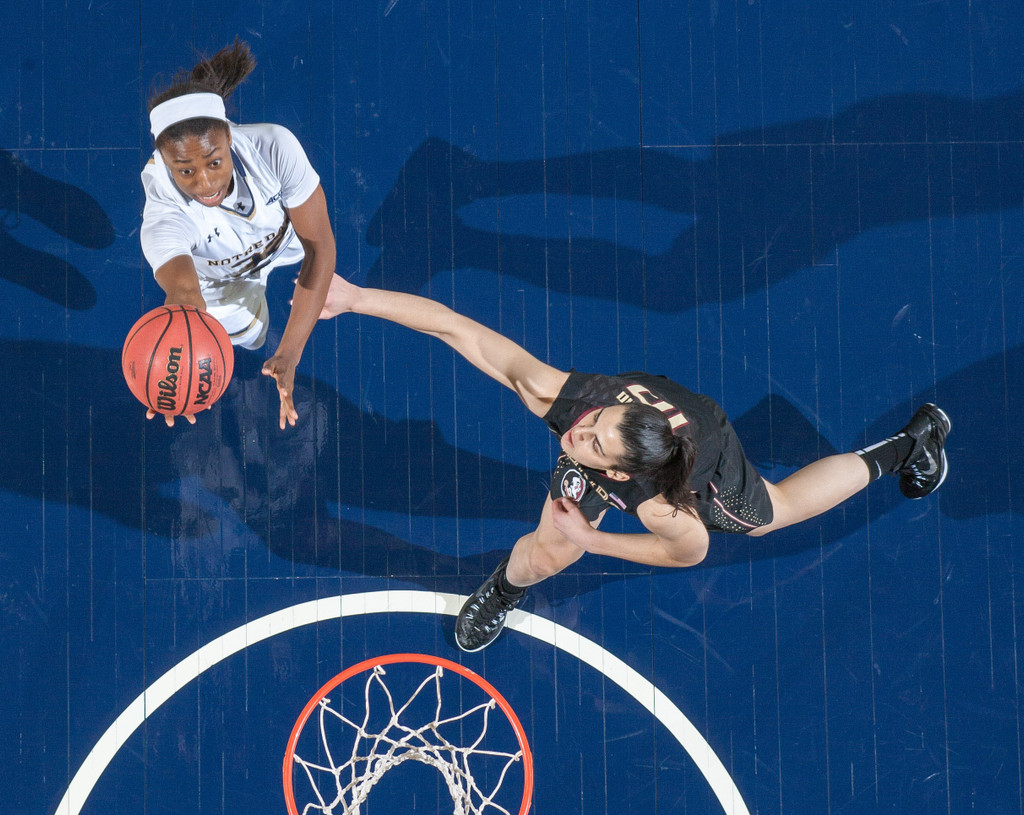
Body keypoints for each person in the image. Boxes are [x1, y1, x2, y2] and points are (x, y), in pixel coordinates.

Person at [331, 277, 950, 652]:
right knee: (548, 552)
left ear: (620, 477)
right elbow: (456, 329)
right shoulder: (571, 401)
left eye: (593, 444)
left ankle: (909, 447)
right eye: (590, 425)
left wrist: (595, 543)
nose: (577, 435)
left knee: (770, 512)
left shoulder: (666, 503)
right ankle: (506, 587)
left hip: (702, 445)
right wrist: (357, 299)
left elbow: (689, 552)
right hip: (659, 411)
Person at [141, 39, 344, 429]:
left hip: (284, 246)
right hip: (220, 281)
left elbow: (319, 249)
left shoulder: (272, 147)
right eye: (185, 171)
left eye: (215, 162)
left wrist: (291, 352)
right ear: (164, 161)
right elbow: (185, 296)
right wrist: (174, 371)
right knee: (249, 337)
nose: (205, 182)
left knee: (307, 265)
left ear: (230, 138)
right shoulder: (164, 214)